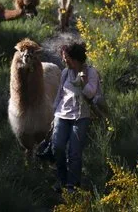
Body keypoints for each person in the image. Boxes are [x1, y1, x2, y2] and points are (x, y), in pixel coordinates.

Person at [51, 42, 99, 193]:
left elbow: (90, 93)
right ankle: (62, 179)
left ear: (75, 58)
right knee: (57, 147)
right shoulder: (65, 72)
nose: (64, 61)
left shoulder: (91, 72)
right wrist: (53, 115)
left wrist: (83, 80)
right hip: (62, 114)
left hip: (81, 116)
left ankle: (72, 184)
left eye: (66, 58)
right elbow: (60, 94)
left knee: (74, 152)